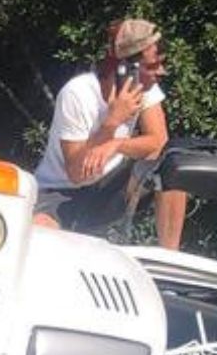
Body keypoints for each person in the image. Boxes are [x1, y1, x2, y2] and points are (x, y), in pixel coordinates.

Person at [32, 18, 189, 250]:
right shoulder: (78, 93)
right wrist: (111, 123)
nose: (161, 73)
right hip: (60, 191)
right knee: (41, 235)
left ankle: (171, 258)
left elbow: (158, 142)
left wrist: (116, 144)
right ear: (125, 68)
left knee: (174, 168)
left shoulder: (145, 88)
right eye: (153, 67)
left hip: (107, 186)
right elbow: (76, 172)